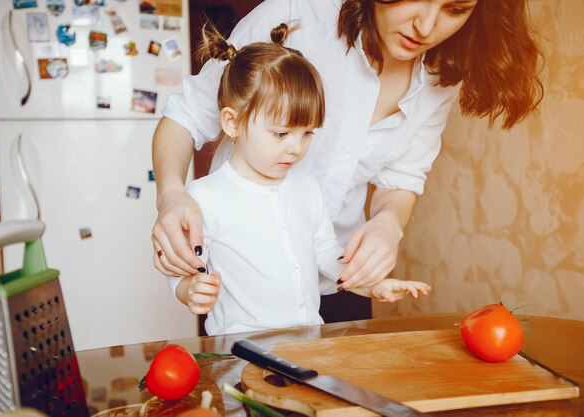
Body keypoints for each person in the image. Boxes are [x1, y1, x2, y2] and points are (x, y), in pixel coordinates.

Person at [152, 0, 543, 294]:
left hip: (339, 279)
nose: (425, 26)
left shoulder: (441, 76)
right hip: (240, 279)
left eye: (455, 9)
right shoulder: (298, 12)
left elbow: (402, 178)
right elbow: (187, 116)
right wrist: (171, 194)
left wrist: (389, 223)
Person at [165, 23, 431, 335]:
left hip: (308, 344)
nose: (296, 148)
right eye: (280, 133)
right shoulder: (205, 197)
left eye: (306, 133)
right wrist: (187, 289)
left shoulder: (306, 187)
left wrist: (373, 285)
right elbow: (181, 266)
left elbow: (329, 258)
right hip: (239, 351)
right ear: (232, 122)